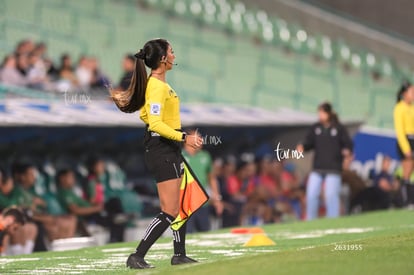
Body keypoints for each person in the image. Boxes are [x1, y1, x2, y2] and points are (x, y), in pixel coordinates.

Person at [110, 38, 203, 269]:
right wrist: (184, 137)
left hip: (167, 148)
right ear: (163, 59)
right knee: (170, 210)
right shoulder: (157, 86)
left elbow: (146, 116)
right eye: (171, 51)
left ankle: (179, 254)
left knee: (181, 205)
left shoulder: (158, 85)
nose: (174, 55)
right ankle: (137, 255)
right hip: (162, 149)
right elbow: (155, 124)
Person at [297, 102, 353, 220]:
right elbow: (308, 142)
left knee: (331, 195)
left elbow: (348, 144)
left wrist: (347, 151)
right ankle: (310, 220)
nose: (320, 115)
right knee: (311, 194)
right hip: (318, 168)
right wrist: (302, 146)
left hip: (333, 168)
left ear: (329, 113)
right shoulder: (316, 128)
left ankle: (332, 220)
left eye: (322, 113)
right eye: (319, 113)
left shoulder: (338, 128)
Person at [182, 129, 223, 233]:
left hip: (203, 203)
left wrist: (217, 199)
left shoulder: (205, 156)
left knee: (205, 233)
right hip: (185, 204)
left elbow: (212, 178)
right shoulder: (178, 156)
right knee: (187, 234)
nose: (201, 140)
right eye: (197, 138)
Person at [393, 81, 414, 207]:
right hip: (406, 140)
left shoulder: (412, 107)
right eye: (411, 91)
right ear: (405, 93)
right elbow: (400, 131)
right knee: (407, 171)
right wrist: (406, 148)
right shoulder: (399, 108)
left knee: (411, 173)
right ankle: (406, 201)